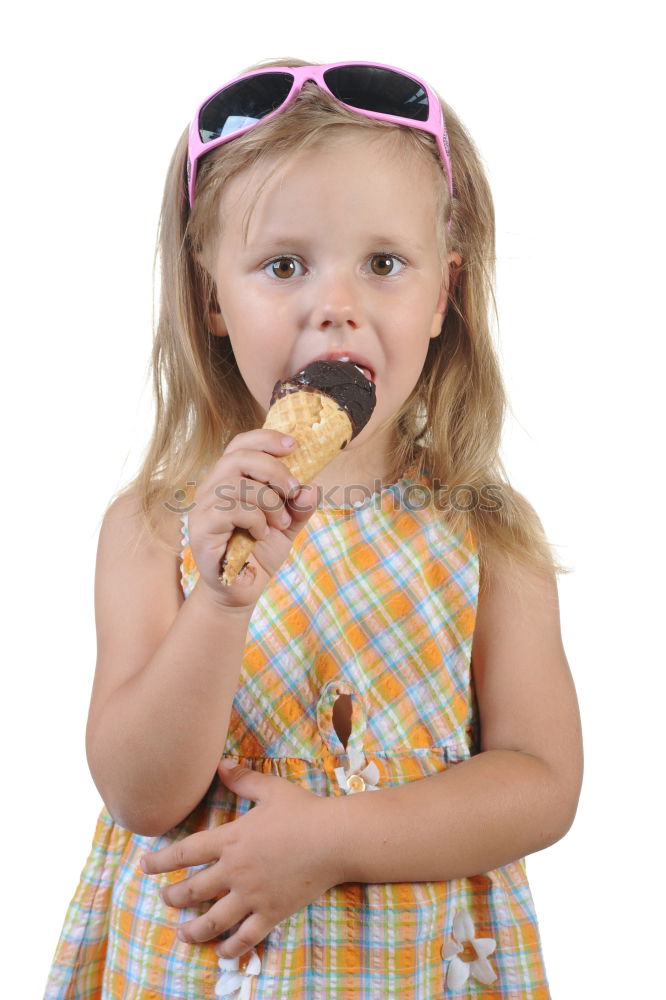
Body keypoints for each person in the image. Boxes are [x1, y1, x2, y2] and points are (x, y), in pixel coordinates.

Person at [43, 59, 583, 999]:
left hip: (415, 970)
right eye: (284, 265)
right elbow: (139, 792)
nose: (337, 303)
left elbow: (543, 782)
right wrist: (217, 601)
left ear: (445, 293)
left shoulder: (489, 532)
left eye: (383, 263)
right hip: (199, 970)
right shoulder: (154, 525)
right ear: (212, 297)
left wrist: (330, 840)